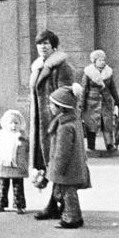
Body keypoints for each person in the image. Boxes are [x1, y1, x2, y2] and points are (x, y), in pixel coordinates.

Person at [28, 29, 78, 219]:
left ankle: (57, 205)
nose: (42, 47)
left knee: (56, 161)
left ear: (54, 46)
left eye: (46, 43)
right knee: (48, 162)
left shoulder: (61, 67)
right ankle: (55, 203)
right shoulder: (38, 66)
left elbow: (66, 96)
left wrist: (59, 120)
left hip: (54, 122)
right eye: (39, 44)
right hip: (41, 123)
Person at [44, 86, 91, 229]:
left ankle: (73, 218)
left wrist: (57, 168)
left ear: (61, 107)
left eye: (52, 104)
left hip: (68, 167)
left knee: (68, 194)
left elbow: (62, 151)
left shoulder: (65, 126)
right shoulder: (71, 121)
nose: (50, 106)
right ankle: (67, 214)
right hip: (73, 166)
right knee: (66, 192)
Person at [0, 109, 30, 213]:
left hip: (18, 166)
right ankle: (0, 204)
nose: (13, 126)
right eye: (11, 123)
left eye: (16, 123)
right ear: (6, 123)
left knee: (18, 186)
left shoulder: (23, 136)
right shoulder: (1, 134)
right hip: (4, 165)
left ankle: (19, 205)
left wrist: (30, 163)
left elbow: (28, 150)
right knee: (2, 185)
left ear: (21, 124)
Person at [79, 49, 119, 154]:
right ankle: (91, 145)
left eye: (103, 60)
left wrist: (117, 100)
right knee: (91, 125)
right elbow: (83, 89)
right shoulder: (88, 73)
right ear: (94, 61)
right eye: (99, 60)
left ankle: (110, 145)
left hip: (106, 102)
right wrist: (81, 104)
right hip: (91, 103)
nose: (102, 62)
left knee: (107, 124)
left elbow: (113, 88)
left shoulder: (108, 72)